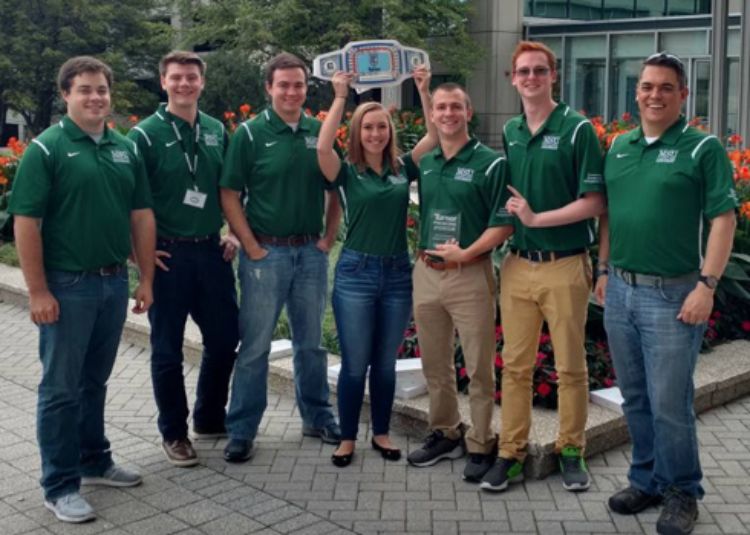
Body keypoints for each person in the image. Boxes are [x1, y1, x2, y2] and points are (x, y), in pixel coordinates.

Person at [9, 56, 155, 523]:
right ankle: (59, 484)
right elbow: (26, 223)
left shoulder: (124, 147)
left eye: (102, 90)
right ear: (66, 95)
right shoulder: (47, 149)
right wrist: (37, 292)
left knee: (94, 382)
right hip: (66, 286)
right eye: (85, 90)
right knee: (60, 389)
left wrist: (146, 277)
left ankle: (95, 460)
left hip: (113, 282)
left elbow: (140, 215)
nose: (95, 97)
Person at [595, 52, 736, 535]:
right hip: (621, 292)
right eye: (647, 86)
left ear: (683, 94)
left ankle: (682, 492)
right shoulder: (618, 146)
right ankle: (647, 480)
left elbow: (724, 218)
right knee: (634, 396)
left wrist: (707, 285)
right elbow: (609, 213)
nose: (655, 94)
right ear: (637, 92)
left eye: (666, 87)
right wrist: (603, 268)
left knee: (670, 402)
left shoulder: (703, 148)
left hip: (673, 296)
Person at [478, 40, 606, 494]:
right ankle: (510, 453)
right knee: (514, 367)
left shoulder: (577, 131)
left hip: (565, 264)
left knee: (571, 366)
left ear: (554, 75)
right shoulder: (512, 130)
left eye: (539, 71)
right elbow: (503, 198)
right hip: (516, 265)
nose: (531, 78)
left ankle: (571, 449)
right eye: (523, 72)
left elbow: (594, 202)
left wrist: (537, 219)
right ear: (512, 79)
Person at [219, 52, 342, 462]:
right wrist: (250, 244)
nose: (292, 92)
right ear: (269, 88)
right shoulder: (250, 134)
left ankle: (318, 416)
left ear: (308, 88)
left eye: (299, 85)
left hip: (309, 253)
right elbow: (229, 194)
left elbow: (335, 187)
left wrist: (328, 237)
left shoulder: (318, 132)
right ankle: (242, 429)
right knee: (255, 347)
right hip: (265, 253)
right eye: (284, 84)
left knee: (311, 344)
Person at [316, 67, 437, 467]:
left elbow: (434, 137)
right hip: (356, 275)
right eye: (367, 128)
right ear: (357, 132)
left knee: (385, 364)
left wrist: (422, 89)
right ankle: (347, 436)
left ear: (389, 130)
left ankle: (381, 433)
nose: (375, 134)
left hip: (398, 274)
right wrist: (339, 95)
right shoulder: (347, 172)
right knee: (355, 364)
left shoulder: (403, 167)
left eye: (381, 127)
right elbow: (321, 149)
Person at [128, 51, 239, 468]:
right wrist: (134, 252)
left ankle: (210, 417)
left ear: (202, 82)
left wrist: (232, 233)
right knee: (166, 349)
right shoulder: (144, 135)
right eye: (176, 78)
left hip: (211, 251)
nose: (185, 84)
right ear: (163, 82)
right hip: (166, 256)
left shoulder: (215, 130)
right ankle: (174, 433)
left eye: (192, 77)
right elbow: (127, 198)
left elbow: (230, 189)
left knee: (226, 338)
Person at [405, 82, 512, 484]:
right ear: (432, 116)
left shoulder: (491, 163)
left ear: (469, 113)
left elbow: (503, 223)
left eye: (455, 107)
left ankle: (482, 441)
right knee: (435, 362)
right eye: (440, 108)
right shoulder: (427, 161)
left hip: (470, 274)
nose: (447, 113)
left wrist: (465, 254)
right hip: (427, 273)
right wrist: (422, 89)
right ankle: (446, 432)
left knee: (479, 365)